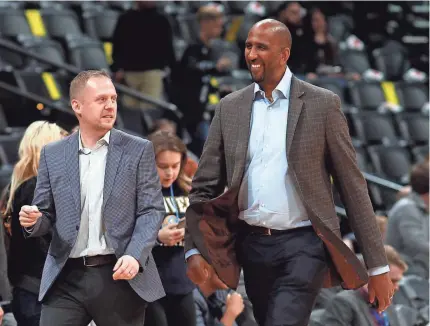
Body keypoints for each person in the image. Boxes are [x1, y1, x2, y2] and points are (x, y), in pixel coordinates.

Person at [184, 19, 395, 326]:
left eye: (261, 48)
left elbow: (352, 186)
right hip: (250, 245)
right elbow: (203, 186)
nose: (252, 54)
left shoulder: (322, 104)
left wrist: (377, 268)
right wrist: (193, 248)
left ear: (284, 55)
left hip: (304, 244)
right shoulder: (230, 107)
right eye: (248, 46)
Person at [18, 70, 165, 326]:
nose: (110, 106)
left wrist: (134, 254)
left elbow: (151, 210)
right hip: (65, 276)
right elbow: (45, 215)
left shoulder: (138, 149)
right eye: (101, 99)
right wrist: (33, 221)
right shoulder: (53, 154)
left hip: (118, 274)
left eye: (114, 99)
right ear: (77, 106)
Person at [4, 121, 65, 326]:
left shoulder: (18, 188)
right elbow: (46, 246)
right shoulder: (36, 189)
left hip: (32, 291)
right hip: (42, 294)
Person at [144, 130, 195, 326]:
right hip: (148, 281)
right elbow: (122, 235)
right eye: (163, 166)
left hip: (181, 278)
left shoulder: (186, 189)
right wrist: (157, 237)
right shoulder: (136, 192)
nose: (170, 173)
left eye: (175, 166)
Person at [320, 245, 408, 326]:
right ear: (372, 275)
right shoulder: (343, 303)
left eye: (398, 281)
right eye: (393, 281)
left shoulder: (388, 305)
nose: (397, 287)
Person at [386, 159, 429, 279]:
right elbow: (415, 242)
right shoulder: (407, 208)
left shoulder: (423, 206)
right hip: (405, 268)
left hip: (420, 265)